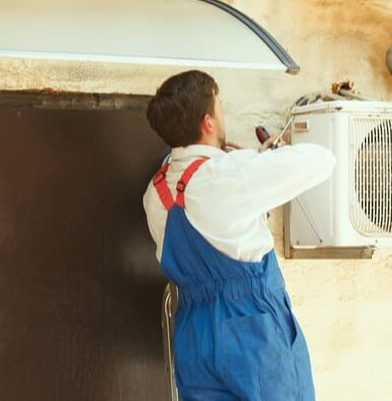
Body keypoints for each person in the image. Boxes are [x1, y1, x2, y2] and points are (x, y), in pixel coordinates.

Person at [142, 70, 335, 400]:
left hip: (193, 332)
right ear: (208, 122)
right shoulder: (226, 174)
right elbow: (322, 161)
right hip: (251, 326)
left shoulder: (155, 192)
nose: (223, 115)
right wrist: (274, 153)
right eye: (220, 106)